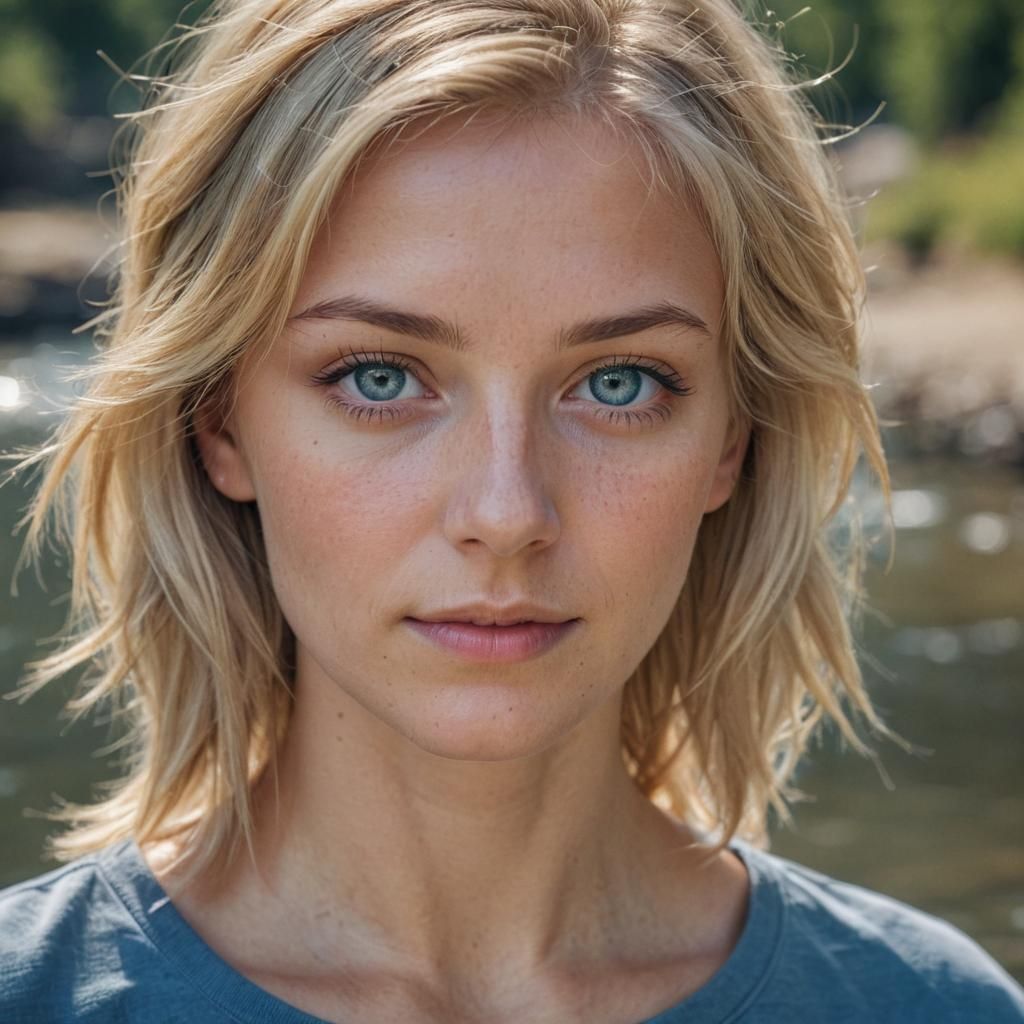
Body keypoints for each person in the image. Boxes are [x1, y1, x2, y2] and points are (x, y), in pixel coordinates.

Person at [2, 1, 1022, 1021]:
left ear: (732, 438)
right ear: (219, 423)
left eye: (620, 383)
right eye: (379, 377)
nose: (505, 512)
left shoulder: (930, 1007)